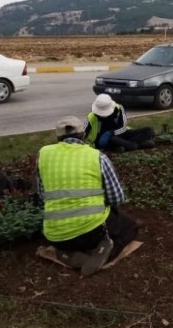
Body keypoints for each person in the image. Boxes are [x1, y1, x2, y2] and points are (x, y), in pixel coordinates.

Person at [38, 115, 139, 276]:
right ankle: (104, 252)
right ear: (83, 135)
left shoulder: (43, 155)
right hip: (91, 232)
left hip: (55, 235)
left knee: (64, 238)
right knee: (130, 226)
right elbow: (116, 198)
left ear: (57, 137)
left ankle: (65, 254)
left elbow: (42, 194)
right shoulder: (96, 156)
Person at [86, 94, 155, 153]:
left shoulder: (119, 109)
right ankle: (135, 145)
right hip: (105, 141)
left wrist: (111, 132)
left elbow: (123, 127)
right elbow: (84, 134)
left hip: (120, 134)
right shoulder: (92, 117)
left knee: (149, 130)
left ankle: (126, 146)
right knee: (113, 139)